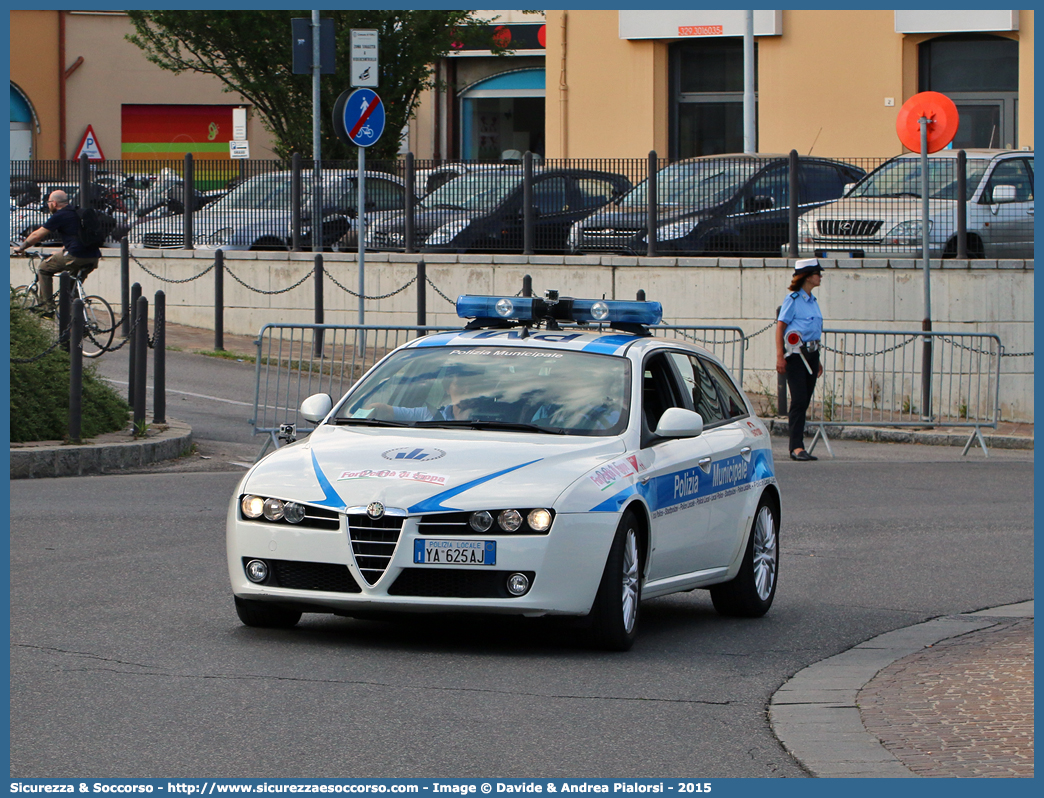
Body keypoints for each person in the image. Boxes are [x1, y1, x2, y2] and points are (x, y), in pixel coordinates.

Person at [13, 190, 102, 313]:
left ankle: (47, 308)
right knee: (70, 290)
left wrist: (21, 248)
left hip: (75, 257)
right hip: (93, 257)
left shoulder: (60, 215)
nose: (48, 205)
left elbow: (37, 235)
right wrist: (62, 251)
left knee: (44, 269)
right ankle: (81, 325)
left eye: (49, 202)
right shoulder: (76, 212)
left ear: (54, 203)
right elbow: (77, 237)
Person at [776, 258, 824, 461]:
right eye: (817, 273)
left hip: (812, 355)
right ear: (806, 276)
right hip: (795, 356)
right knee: (799, 400)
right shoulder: (793, 300)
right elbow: (781, 327)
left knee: (804, 401)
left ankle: (799, 445)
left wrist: (817, 359)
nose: (820, 276)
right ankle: (796, 447)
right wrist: (780, 355)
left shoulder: (813, 301)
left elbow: (813, 331)